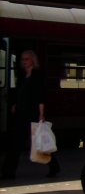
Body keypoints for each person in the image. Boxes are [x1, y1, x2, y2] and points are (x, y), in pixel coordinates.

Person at [1, 50, 60, 179]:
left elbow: (41, 96)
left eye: (27, 59)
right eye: (22, 59)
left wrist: (41, 114)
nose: (24, 61)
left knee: (38, 142)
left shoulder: (37, 76)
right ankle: (8, 172)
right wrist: (15, 105)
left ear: (33, 60)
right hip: (21, 114)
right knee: (15, 144)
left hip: (32, 114)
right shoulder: (23, 76)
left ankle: (54, 166)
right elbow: (20, 93)